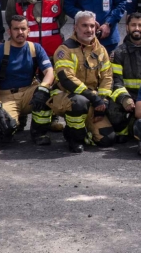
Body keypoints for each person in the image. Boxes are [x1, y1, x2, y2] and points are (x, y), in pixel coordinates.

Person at [50, 10, 117, 152]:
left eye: (92, 26)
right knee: (79, 102)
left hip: (92, 99)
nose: (89, 30)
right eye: (84, 25)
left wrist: (103, 101)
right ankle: (74, 138)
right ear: (75, 27)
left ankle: (81, 130)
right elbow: (67, 79)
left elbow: (107, 77)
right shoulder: (65, 49)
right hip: (66, 96)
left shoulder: (101, 50)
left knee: (107, 139)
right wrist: (94, 98)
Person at [0, 14, 56, 146]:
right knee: (5, 127)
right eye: (16, 29)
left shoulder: (35, 48)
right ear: (9, 31)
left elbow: (49, 71)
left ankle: (39, 133)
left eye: (23, 28)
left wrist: (43, 88)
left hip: (29, 92)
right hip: (6, 95)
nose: (20, 32)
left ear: (28, 30)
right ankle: (17, 121)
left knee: (48, 93)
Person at [110, 12, 141, 139]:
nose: (136, 28)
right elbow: (116, 81)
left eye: (140, 25)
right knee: (112, 107)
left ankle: (136, 126)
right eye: (133, 25)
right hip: (128, 98)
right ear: (127, 27)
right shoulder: (118, 53)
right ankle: (123, 131)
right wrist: (124, 98)